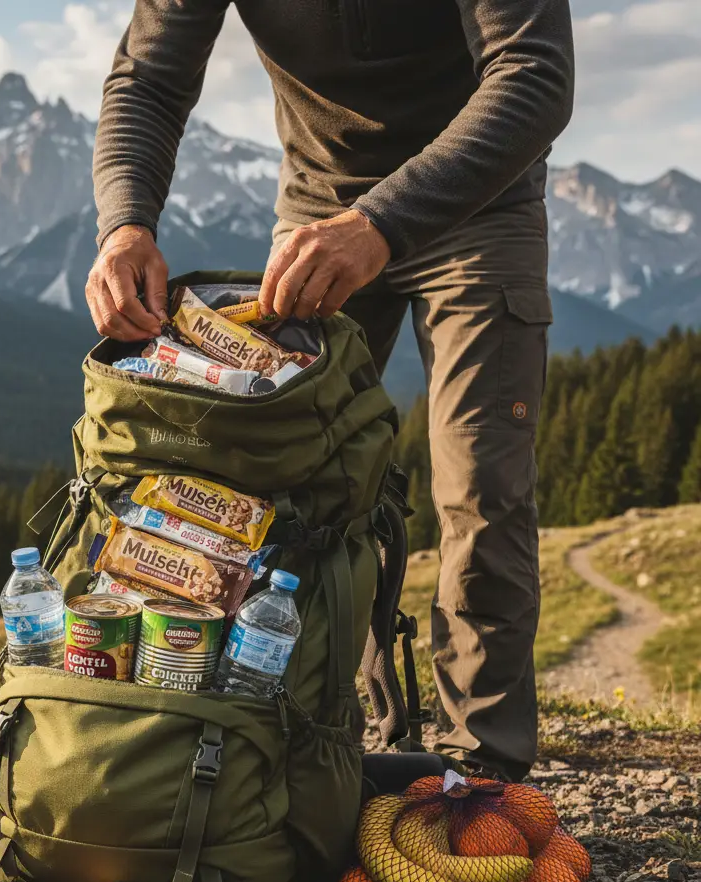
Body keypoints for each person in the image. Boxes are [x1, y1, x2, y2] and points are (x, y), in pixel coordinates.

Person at [86, 0, 575, 782]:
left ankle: (478, 779)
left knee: (482, 489)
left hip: (482, 207)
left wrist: (379, 223)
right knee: (285, 488)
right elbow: (148, 79)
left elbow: (535, 75)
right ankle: (296, 747)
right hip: (319, 209)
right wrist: (124, 224)